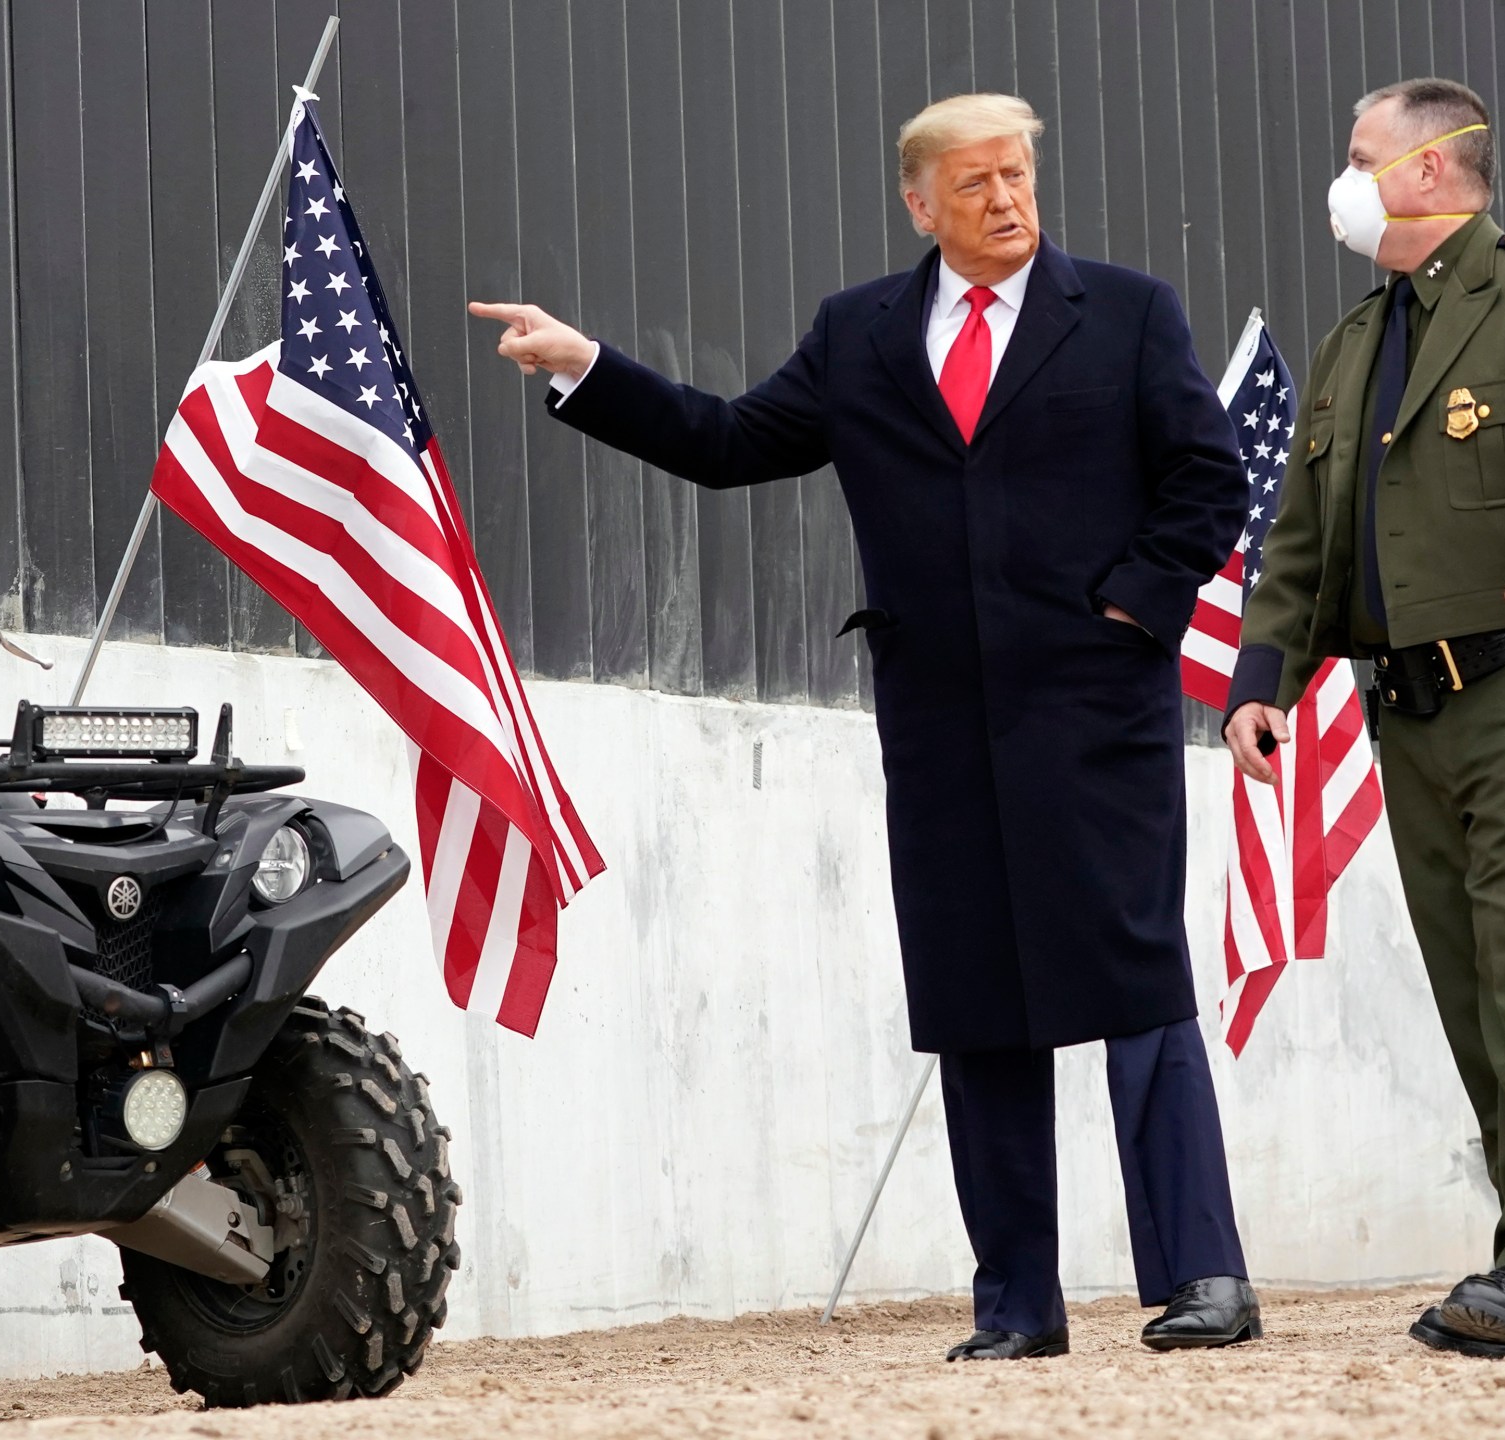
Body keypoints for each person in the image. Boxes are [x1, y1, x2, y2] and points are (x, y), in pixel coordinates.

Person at [470, 93, 1261, 1359]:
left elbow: (1207, 481)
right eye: (975, 185)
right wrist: (586, 368)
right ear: (919, 203)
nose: (1006, 201)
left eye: (1017, 177)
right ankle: (1017, 1308)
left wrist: (1127, 612)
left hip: (1090, 711)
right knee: (974, 1003)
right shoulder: (861, 334)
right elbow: (729, 444)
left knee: (1136, 980)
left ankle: (1203, 1278)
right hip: (940, 725)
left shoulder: (1123, 311)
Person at [1224, 76, 1505, 1358]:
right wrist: (1262, 681)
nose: (1345, 177)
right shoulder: (1356, 344)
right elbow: (1307, 541)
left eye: (1361, 155)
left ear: (1431, 169)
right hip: (1408, 710)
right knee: (1473, 987)